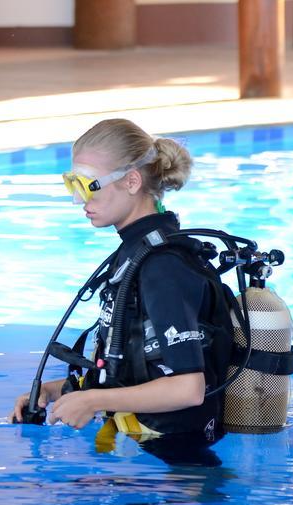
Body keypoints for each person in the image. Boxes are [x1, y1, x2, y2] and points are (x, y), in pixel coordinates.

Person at [12, 118, 235, 453]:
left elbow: (189, 388)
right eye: (71, 184)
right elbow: (130, 365)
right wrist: (56, 391)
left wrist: (93, 401)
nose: (77, 199)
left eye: (88, 185)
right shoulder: (135, 253)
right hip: (148, 453)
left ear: (132, 181)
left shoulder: (163, 268)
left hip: (178, 469)